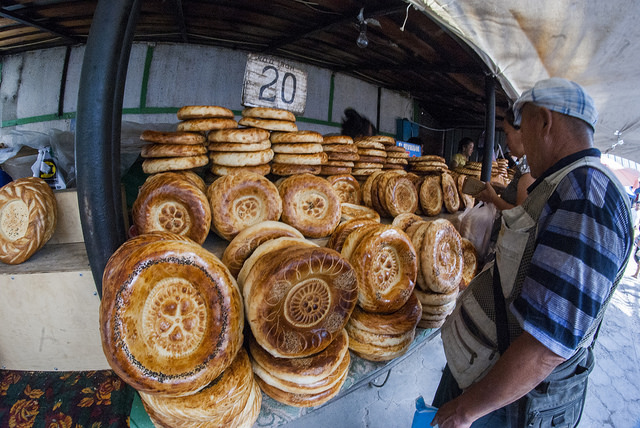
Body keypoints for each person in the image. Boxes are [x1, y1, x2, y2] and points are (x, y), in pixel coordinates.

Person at [432, 78, 633, 428]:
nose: (521, 140)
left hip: (509, 401)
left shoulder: (586, 195)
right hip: (489, 380)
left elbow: (547, 343)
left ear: (545, 121)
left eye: (523, 126)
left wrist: (467, 410)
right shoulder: (564, 184)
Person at [475, 108, 535, 211]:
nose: (506, 142)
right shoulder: (525, 165)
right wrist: (504, 191)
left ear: (522, 132)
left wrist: (493, 198)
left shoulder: (529, 168)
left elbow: (519, 215)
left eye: (507, 134)